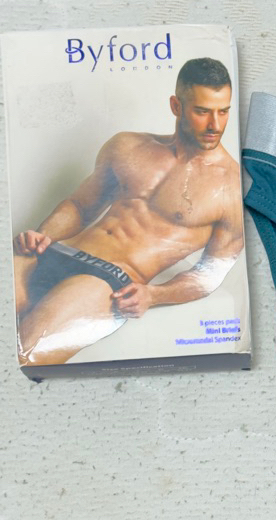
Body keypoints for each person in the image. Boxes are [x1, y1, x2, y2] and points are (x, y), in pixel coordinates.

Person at [13, 57, 244, 365]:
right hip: (58, 251)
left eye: (223, 111)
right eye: (202, 111)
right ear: (176, 106)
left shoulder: (232, 187)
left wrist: (153, 295)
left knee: (25, 352)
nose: (215, 125)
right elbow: (80, 206)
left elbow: (209, 275)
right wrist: (44, 235)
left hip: (106, 280)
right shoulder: (128, 146)